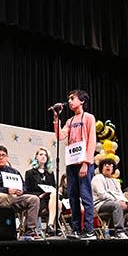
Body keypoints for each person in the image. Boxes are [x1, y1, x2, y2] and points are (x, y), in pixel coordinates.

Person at [53, 89, 96, 240]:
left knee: (85, 196)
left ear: (82, 101)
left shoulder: (89, 118)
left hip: (83, 162)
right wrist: (56, 117)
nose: (70, 101)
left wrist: (86, 163)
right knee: (72, 196)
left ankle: (90, 230)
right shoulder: (70, 121)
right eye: (69, 99)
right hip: (71, 163)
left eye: (73, 98)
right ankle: (77, 229)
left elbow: (91, 142)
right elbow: (60, 135)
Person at [0, 145, 40, 239]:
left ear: (7, 157)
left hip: (15, 198)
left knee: (34, 199)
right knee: (3, 196)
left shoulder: (14, 172)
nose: (1, 157)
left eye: (3, 155)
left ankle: (30, 231)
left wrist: (22, 191)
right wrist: (6, 190)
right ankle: (5, 230)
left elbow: (24, 186)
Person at [25, 147, 62, 236]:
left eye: (45, 155)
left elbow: (54, 188)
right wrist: (40, 195)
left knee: (55, 197)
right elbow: (27, 191)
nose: (43, 156)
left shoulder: (50, 173)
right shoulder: (29, 173)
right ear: (36, 157)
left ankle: (50, 225)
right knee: (58, 203)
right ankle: (54, 227)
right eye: (41, 154)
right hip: (38, 200)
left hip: (50, 199)